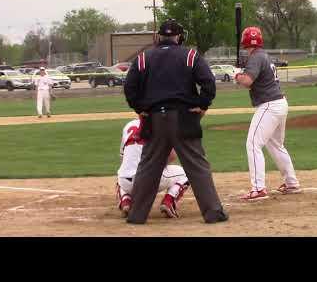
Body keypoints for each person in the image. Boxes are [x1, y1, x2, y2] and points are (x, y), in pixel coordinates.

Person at [123, 19, 228, 224]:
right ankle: (213, 213)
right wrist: (203, 104)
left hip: (153, 119)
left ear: (159, 36)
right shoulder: (190, 55)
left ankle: (136, 215)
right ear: (179, 37)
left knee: (148, 167)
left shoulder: (144, 57)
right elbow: (208, 82)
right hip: (184, 117)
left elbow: (130, 88)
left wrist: (140, 108)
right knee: (197, 166)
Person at [235, 26, 301, 201]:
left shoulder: (256, 57)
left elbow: (247, 81)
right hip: (280, 103)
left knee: (253, 144)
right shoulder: (263, 56)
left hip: (269, 105)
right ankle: (291, 182)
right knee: (276, 145)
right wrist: (242, 74)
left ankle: (258, 188)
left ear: (245, 41)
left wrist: (238, 76)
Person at [116, 118, 190, 218]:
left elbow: (123, 157)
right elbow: (172, 156)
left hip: (125, 182)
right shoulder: (160, 126)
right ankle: (169, 201)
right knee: (187, 172)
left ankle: (125, 201)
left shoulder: (129, 125)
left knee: (123, 173)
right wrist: (157, 165)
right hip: (149, 181)